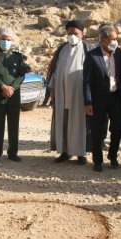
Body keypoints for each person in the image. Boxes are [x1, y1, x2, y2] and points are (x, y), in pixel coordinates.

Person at [83, 24, 121, 172]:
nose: (115, 41)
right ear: (103, 40)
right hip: (98, 99)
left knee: (118, 128)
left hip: (115, 97)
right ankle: (97, 161)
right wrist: (88, 102)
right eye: (112, 39)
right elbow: (86, 81)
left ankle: (112, 156)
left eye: (116, 38)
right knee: (97, 131)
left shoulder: (118, 53)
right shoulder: (92, 55)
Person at [0, 27, 30, 164]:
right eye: (3, 39)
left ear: (11, 41)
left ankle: (13, 153)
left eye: (8, 39)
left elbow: (21, 75)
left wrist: (12, 88)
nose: (5, 41)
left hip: (13, 97)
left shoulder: (17, 57)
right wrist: (2, 86)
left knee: (13, 127)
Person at [49, 20, 88, 165]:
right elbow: (54, 70)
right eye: (70, 33)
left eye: (76, 33)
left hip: (78, 95)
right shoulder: (62, 49)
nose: (73, 36)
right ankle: (64, 152)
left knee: (78, 124)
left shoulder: (86, 49)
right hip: (61, 94)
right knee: (63, 123)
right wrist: (52, 92)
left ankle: (80, 154)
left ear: (82, 34)